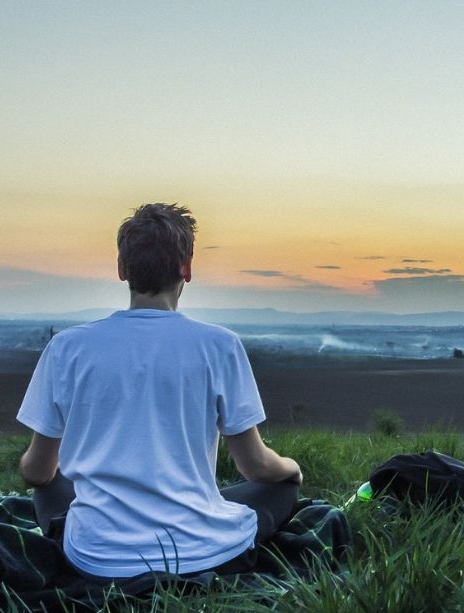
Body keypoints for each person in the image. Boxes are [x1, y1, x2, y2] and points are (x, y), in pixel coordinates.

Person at [16, 202, 302, 579]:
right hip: (201, 552)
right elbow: (256, 467)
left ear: (122, 269)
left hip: (96, 558)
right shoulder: (220, 345)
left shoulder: (67, 348)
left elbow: (36, 473)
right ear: (186, 269)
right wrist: (292, 469)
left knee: (51, 483)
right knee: (280, 489)